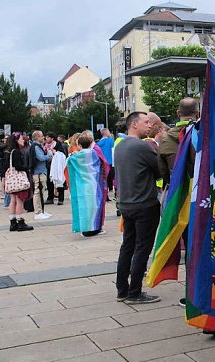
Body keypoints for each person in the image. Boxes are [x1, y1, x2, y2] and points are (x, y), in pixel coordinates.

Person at [113, 112, 161, 304]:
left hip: (126, 204)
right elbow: (159, 171)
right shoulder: (142, 146)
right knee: (142, 248)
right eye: (146, 122)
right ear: (134, 124)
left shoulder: (120, 145)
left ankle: (122, 290)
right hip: (144, 204)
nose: (149, 125)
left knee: (128, 246)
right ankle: (135, 292)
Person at [67, 130, 108, 237]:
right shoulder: (94, 153)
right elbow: (102, 164)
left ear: (79, 145)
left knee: (84, 207)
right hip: (94, 184)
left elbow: (69, 163)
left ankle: (86, 228)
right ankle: (95, 227)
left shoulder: (76, 157)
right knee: (94, 207)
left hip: (82, 185)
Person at [158, 98, 199, 183]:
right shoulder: (205, 135)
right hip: (203, 190)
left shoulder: (165, 139)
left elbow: (163, 170)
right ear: (197, 114)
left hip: (179, 190)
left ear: (178, 113)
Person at [5, 134, 34, 232]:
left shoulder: (9, 152)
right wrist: (27, 167)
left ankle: (12, 222)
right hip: (18, 180)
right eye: (21, 139)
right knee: (20, 201)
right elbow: (17, 166)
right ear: (17, 140)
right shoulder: (16, 152)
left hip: (12, 180)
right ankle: (20, 221)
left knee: (12, 200)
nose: (23, 140)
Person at [29, 131, 53, 220]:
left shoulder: (37, 146)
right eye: (42, 136)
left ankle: (42, 210)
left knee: (41, 192)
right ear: (37, 137)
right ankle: (38, 212)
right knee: (38, 192)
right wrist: (49, 155)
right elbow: (41, 158)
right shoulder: (35, 147)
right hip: (38, 172)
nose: (43, 138)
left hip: (40, 171)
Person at [96, 128, 115, 199]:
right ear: (106, 133)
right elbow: (113, 151)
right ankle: (113, 191)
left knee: (104, 179)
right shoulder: (110, 141)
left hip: (102, 162)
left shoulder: (98, 143)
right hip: (110, 162)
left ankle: (105, 195)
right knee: (112, 178)